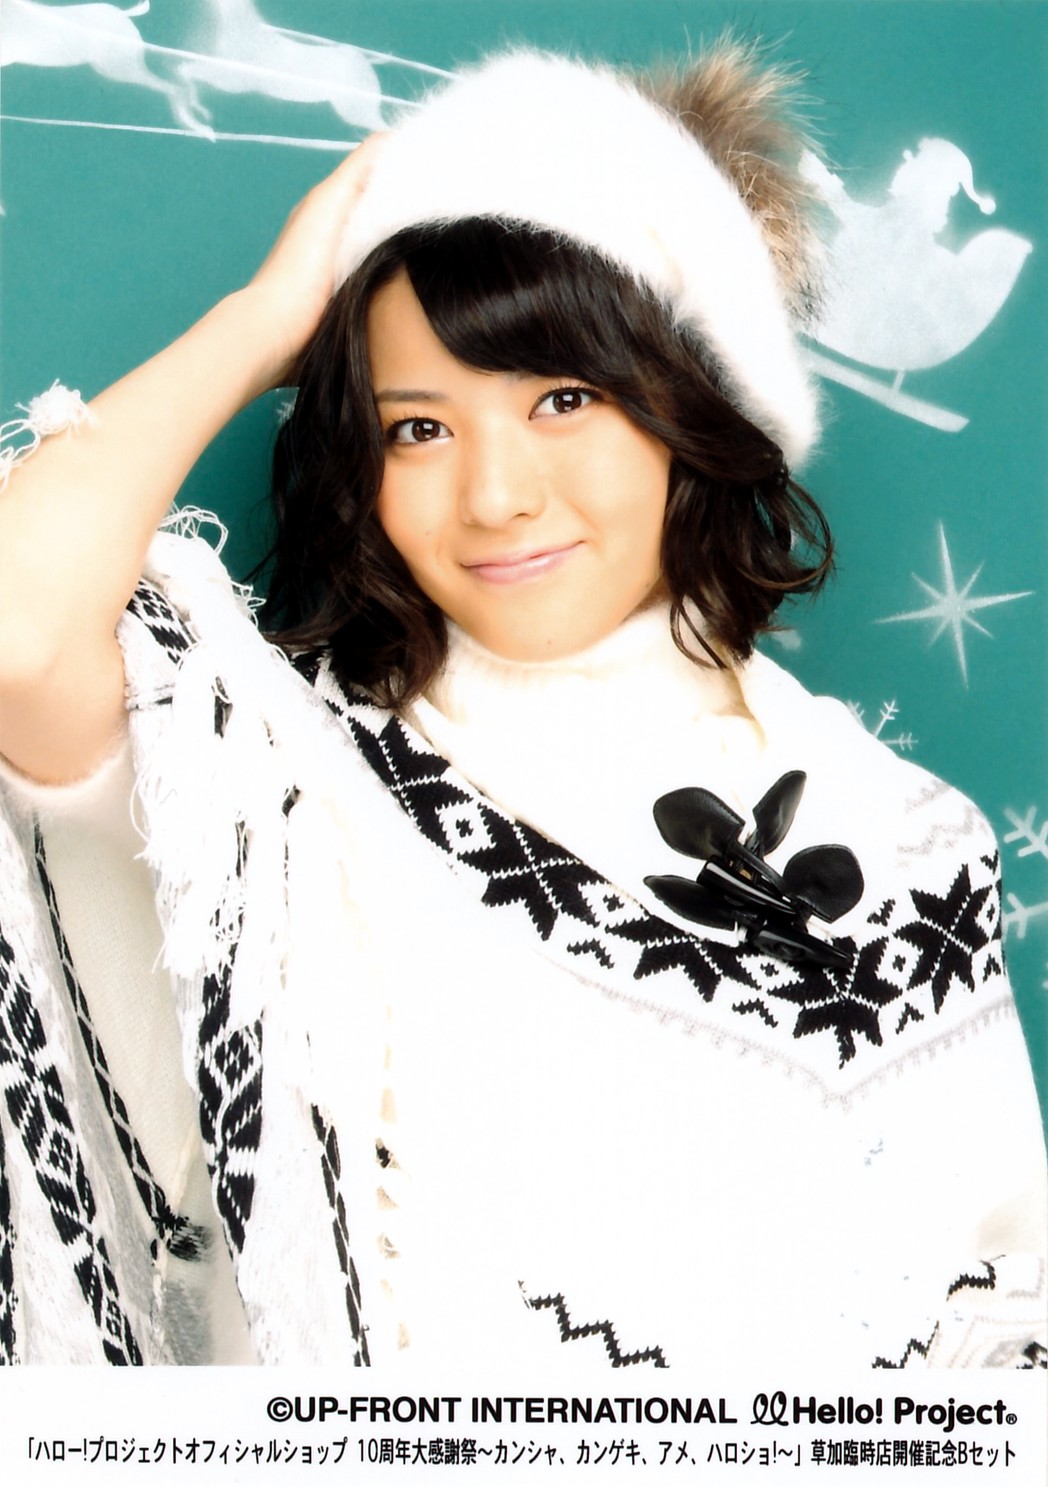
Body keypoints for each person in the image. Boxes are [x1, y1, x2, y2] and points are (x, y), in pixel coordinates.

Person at [0, 45, 1044, 1369]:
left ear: (699, 409)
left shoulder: (911, 840)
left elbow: (1007, 1337)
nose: (495, 497)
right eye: (419, 428)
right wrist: (269, 314)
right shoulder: (279, 787)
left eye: (564, 399)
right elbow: (18, 636)